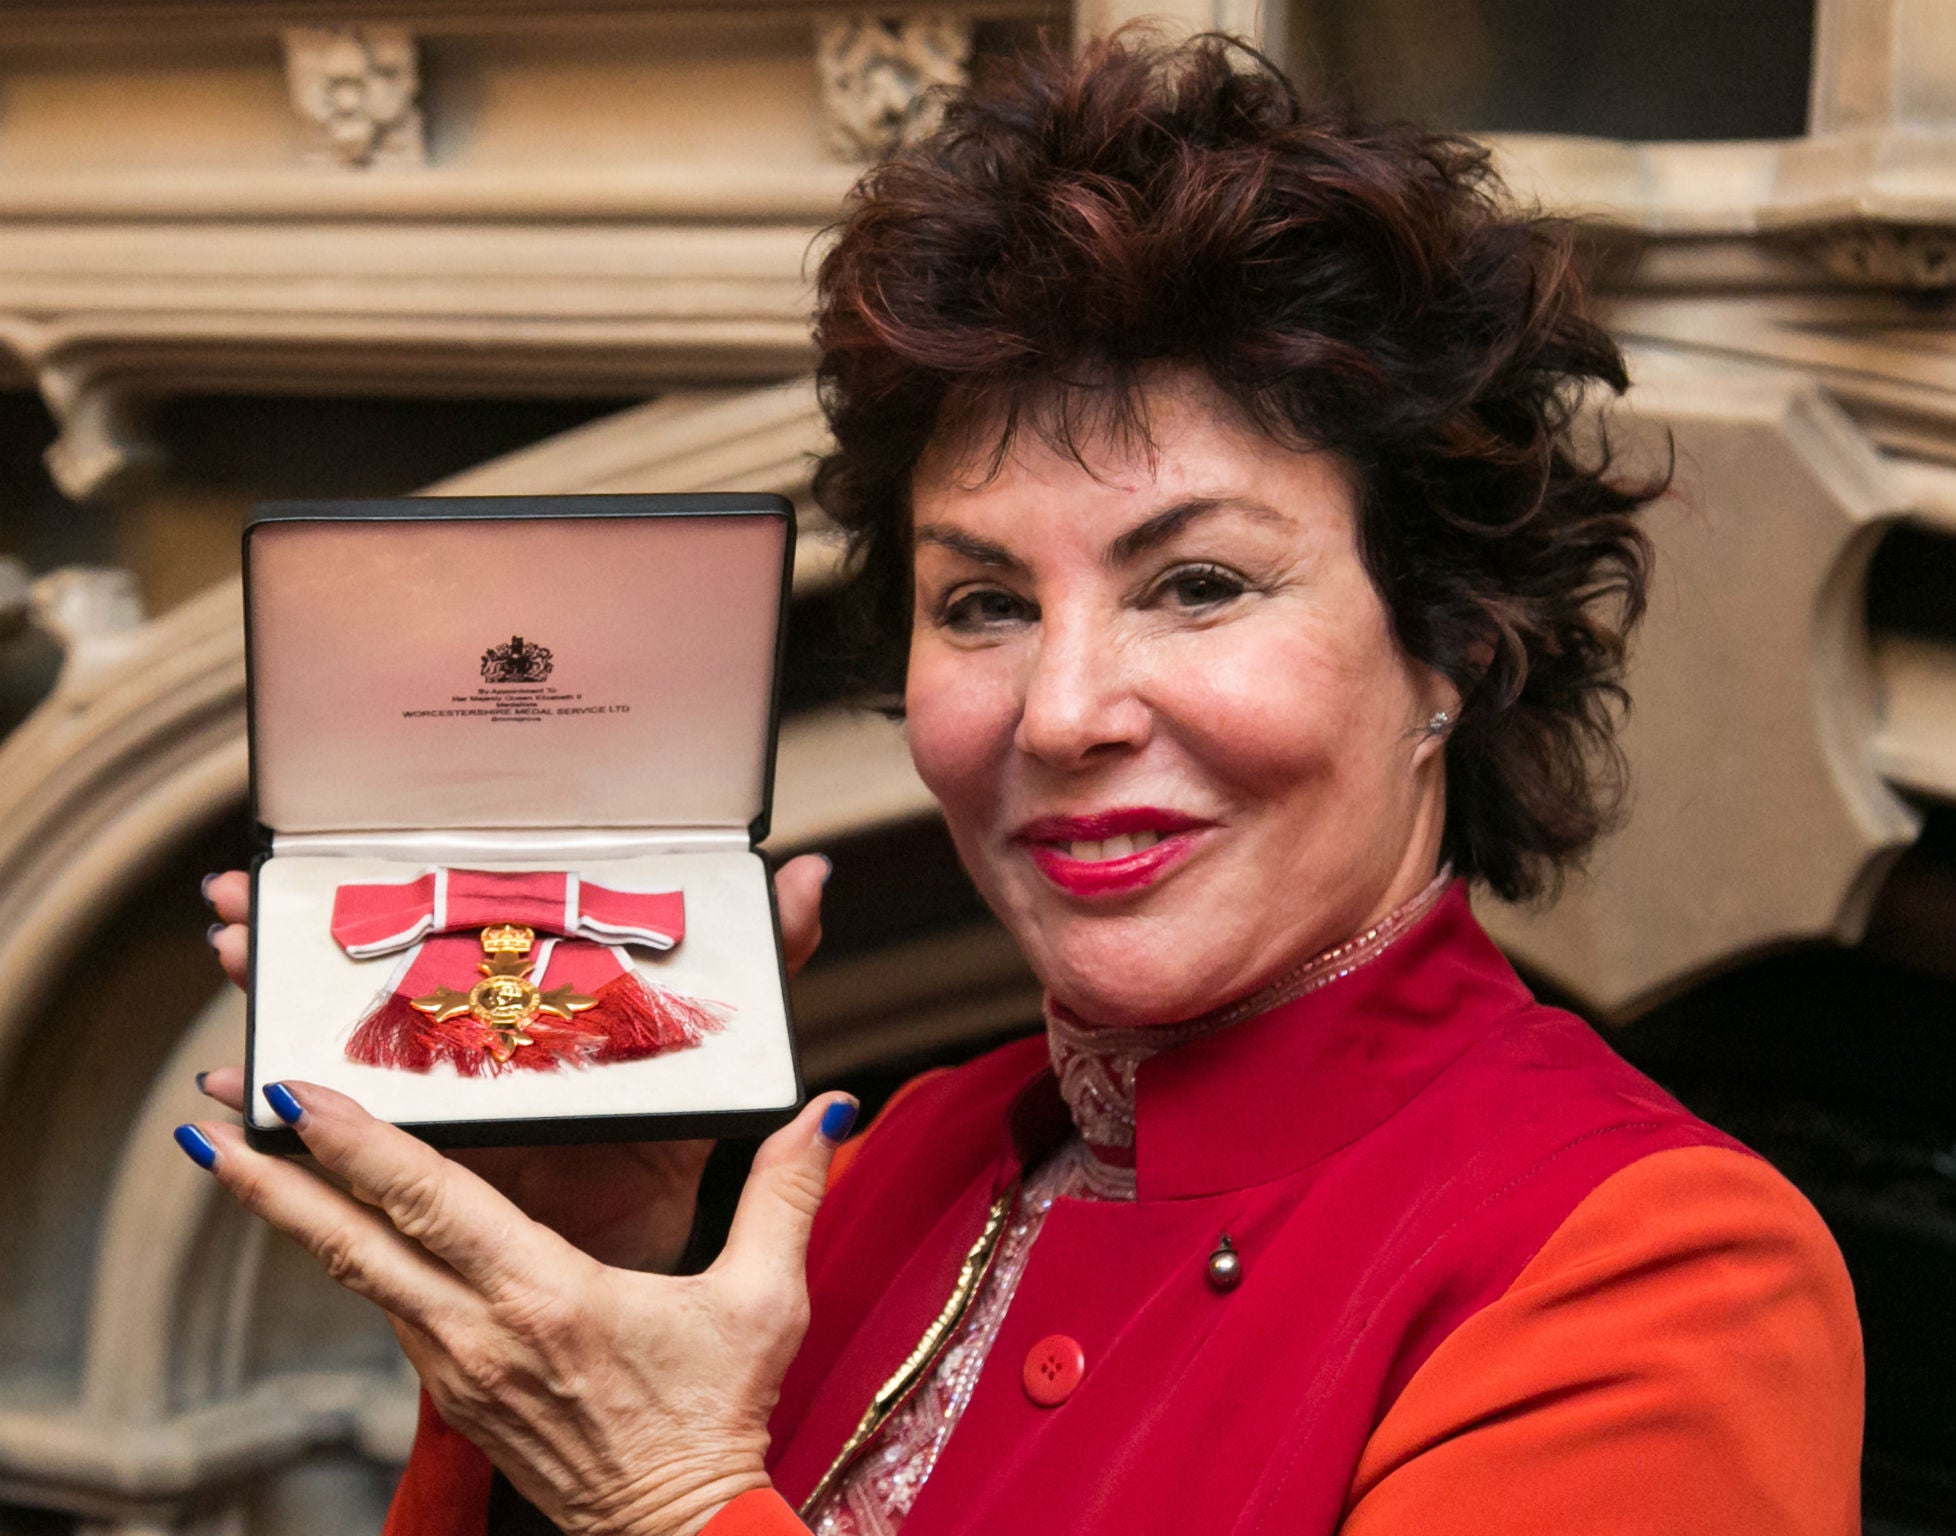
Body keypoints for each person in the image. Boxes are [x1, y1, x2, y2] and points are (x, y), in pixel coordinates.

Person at [183, 32, 1863, 1536]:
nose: (1059, 713)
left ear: (1450, 648)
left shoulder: (1661, 1273)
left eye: (1196, 584)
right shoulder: (893, 1161)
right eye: (983, 603)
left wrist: (678, 1502)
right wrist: (578, 1277)